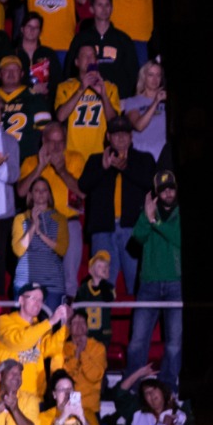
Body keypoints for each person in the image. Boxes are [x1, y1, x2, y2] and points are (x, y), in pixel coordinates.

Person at [80, 115, 155, 295]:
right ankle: (103, 322)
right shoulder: (96, 159)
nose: (120, 138)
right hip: (103, 230)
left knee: (138, 286)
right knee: (101, 286)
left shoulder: (144, 159)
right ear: (108, 137)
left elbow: (151, 184)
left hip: (134, 229)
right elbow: (83, 186)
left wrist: (125, 168)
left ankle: (139, 323)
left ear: (131, 137)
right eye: (116, 134)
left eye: (125, 134)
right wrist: (103, 168)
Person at [125, 171, 182, 385]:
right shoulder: (149, 211)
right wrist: (147, 217)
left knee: (175, 343)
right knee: (137, 342)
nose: (168, 193)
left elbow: (177, 238)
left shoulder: (178, 213)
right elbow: (137, 238)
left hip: (175, 284)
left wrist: (154, 221)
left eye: (171, 188)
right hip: (149, 284)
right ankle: (133, 385)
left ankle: (168, 388)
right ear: (157, 193)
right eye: (163, 189)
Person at [19, 120, 87, 292]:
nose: (56, 147)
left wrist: (62, 169)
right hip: (40, 224)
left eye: (60, 142)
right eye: (51, 142)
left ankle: (67, 317)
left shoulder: (75, 158)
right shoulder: (30, 161)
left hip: (69, 222)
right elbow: (21, 191)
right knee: (39, 278)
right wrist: (40, 167)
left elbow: (81, 192)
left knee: (70, 279)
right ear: (43, 141)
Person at [0, 282, 69, 403]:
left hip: (35, 398)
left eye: (40, 299)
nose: (38, 303)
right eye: (33, 298)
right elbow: (20, 341)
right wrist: (50, 322)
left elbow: (50, 349)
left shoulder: (40, 326)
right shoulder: (4, 321)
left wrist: (65, 324)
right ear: (21, 300)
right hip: (8, 397)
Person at [56, 44, 119, 168]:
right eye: (85, 56)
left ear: (97, 61)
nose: (89, 59)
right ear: (77, 62)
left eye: (92, 56)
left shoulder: (110, 87)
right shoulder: (65, 87)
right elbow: (60, 117)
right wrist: (82, 88)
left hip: (100, 155)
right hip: (72, 154)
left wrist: (103, 96)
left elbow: (114, 122)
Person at [11, 179, 71, 299]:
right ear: (31, 194)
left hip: (52, 284)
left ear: (49, 194)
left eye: (44, 190)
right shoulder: (20, 218)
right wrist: (33, 226)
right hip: (25, 282)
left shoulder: (60, 219)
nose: (41, 193)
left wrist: (41, 234)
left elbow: (62, 249)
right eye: (37, 190)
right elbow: (18, 250)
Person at [71, 0, 138, 96]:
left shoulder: (123, 40)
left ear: (112, 8)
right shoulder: (81, 38)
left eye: (107, 5)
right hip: (86, 98)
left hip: (117, 98)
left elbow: (132, 73)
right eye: (100, 5)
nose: (104, 9)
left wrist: (125, 97)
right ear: (92, 9)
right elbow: (70, 69)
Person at [60, 307, 107, 417]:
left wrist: (83, 353)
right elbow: (66, 377)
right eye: (75, 322)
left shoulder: (98, 348)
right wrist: (76, 356)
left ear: (87, 327)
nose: (79, 325)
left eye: (82, 322)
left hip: (90, 408)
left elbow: (95, 376)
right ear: (69, 328)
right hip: (67, 407)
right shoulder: (63, 348)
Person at [123, 59, 170, 165]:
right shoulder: (133, 101)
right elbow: (139, 126)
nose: (155, 79)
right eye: (151, 75)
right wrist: (156, 102)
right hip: (141, 157)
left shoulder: (167, 101)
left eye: (158, 75)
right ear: (144, 77)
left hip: (164, 157)